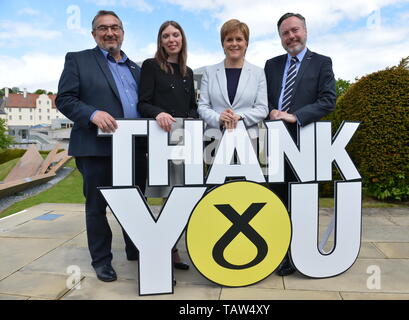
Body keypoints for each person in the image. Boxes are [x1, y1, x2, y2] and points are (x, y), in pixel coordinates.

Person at [56, 10, 147, 282]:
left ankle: (135, 249)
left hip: (133, 149)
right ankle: (102, 261)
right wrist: (92, 114)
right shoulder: (78, 60)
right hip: (96, 148)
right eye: (103, 28)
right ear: (94, 33)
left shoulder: (137, 69)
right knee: (97, 207)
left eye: (115, 27)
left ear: (122, 32)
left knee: (135, 203)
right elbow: (65, 99)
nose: (110, 33)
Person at [264, 13, 336, 276]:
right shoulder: (271, 65)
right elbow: (265, 100)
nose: (291, 36)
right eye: (285, 33)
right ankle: (280, 252)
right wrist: (270, 110)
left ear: (305, 31)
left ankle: (299, 253)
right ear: (280, 37)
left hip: (305, 143)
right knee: (278, 200)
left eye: (295, 30)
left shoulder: (322, 63)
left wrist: (295, 116)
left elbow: (328, 100)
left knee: (302, 202)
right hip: (275, 144)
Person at [138, 21, 197, 271]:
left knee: (183, 197)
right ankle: (167, 250)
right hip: (163, 139)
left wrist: (196, 118)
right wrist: (158, 113)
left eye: (175, 35)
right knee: (167, 195)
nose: (171, 39)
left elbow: (191, 106)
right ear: (160, 41)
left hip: (186, 141)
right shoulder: (151, 66)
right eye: (166, 36)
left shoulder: (188, 71)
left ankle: (174, 248)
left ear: (182, 39)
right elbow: (143, 103)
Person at [198, 19, 268, 151]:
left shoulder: (258, 73)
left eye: (239, 39)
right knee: (215, 173)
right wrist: (219, 118)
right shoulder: (209, 72)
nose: (234, 44)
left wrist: (240, 116)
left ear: (246, 43)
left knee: (248, 172)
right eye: (229, 39)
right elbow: (202, 107)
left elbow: (262, 109)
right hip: (215, 138)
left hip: (248, 138)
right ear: (223, 44)